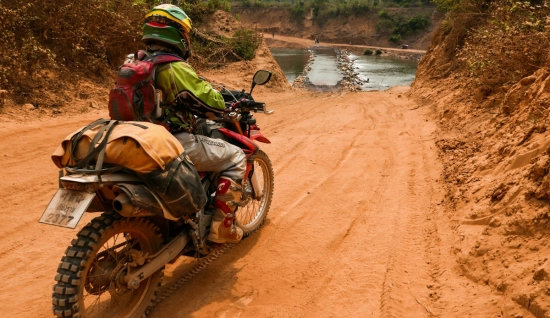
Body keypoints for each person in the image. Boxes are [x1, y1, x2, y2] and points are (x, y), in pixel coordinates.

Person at [138, 4, 245, 243]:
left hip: (137, 139)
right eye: (185, 33)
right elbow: (212, 103)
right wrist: (220, 103)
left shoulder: (134, 62)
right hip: (172, 142)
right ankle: (221, 229)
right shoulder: (174, 67)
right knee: (236, 157)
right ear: (177, 33)